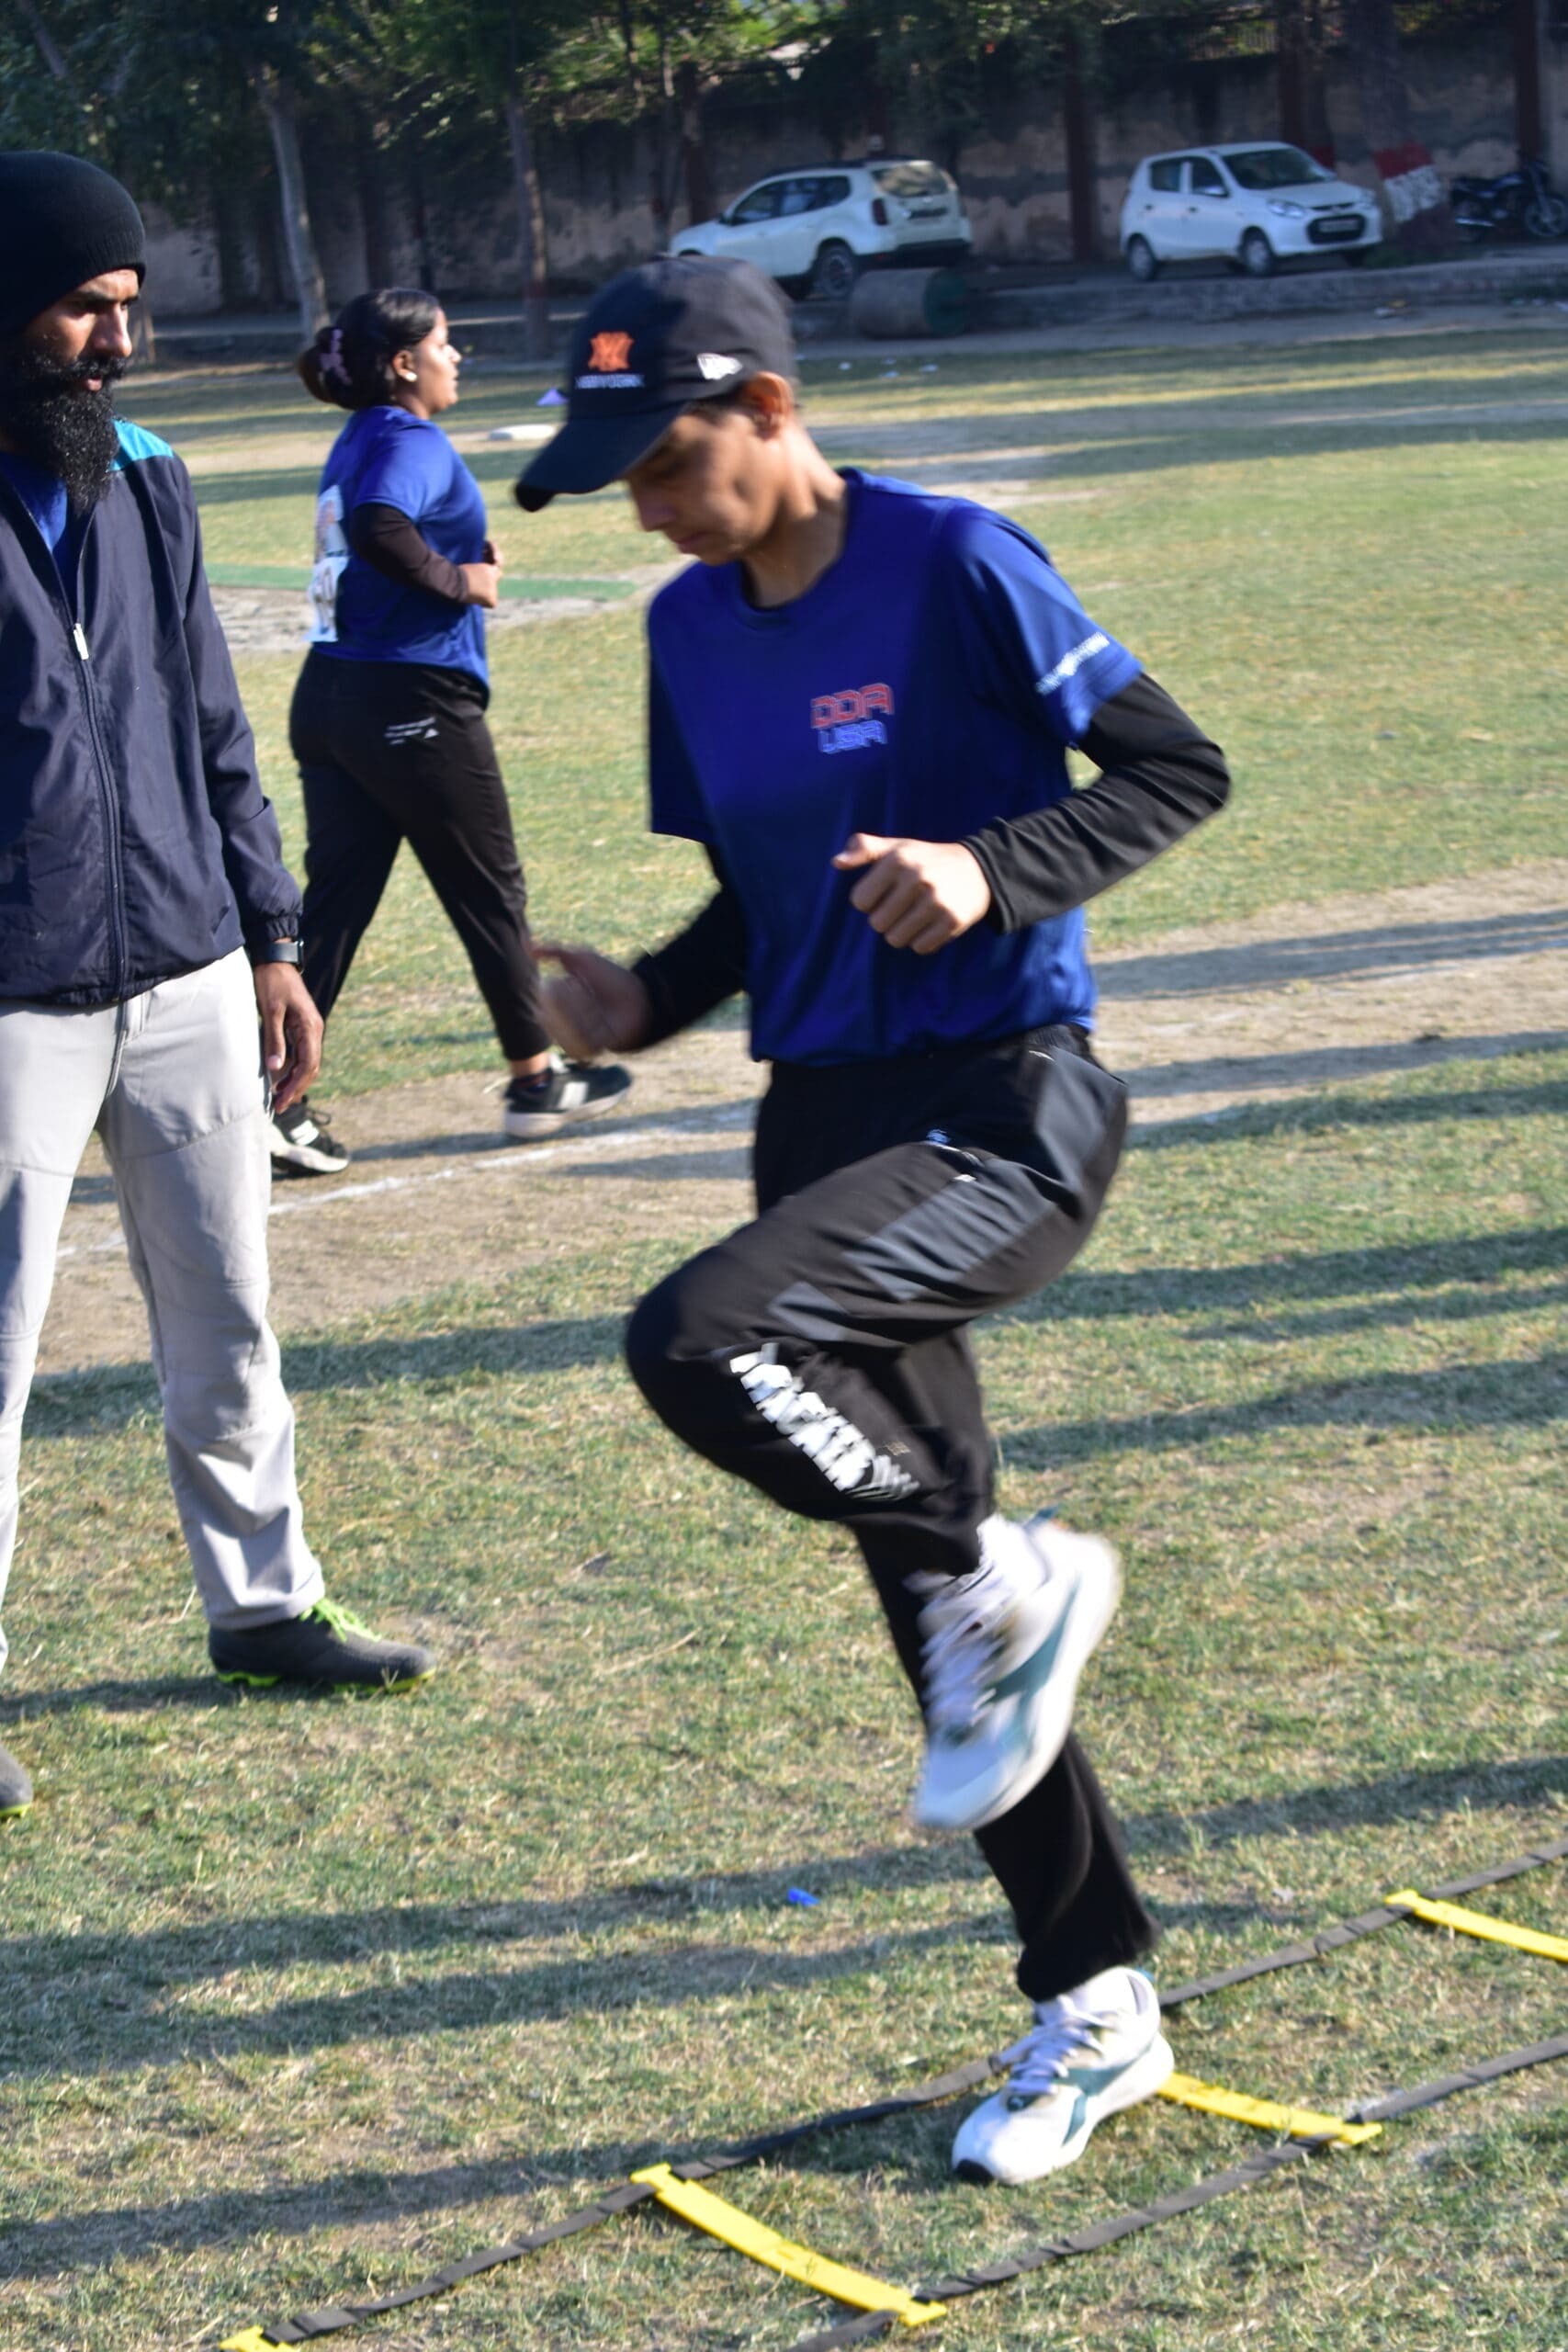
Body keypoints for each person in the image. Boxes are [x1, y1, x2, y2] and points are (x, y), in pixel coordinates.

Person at [516, 256, 1231, 2185]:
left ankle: (1001, 1571)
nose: (652, 510)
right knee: (957, 1633)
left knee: (703, 1341)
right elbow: (763, 905)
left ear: (765, 406)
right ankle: (1097, 2001)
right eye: (622, 482)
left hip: (1006, 1097)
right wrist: (640, 1005)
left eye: (667, 462)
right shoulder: (686, 630)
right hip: (817, 1122)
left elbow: (1176, 765)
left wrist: (987, 868)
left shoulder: (957, 559)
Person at [0, 153, 436, 1826]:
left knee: (229, 1311)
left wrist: (271, 937)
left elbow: (210, 722)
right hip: (15, 997)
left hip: (184, 962)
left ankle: (266, 1605)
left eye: (128, 306)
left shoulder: (153, 476)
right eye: (82, 307)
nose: (118, 338)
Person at [279, 288, 632, 1175]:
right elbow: (379, 528)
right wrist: (462, 582)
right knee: (487, 891)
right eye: (446, 342)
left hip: (333, 697)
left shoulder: (361, 434)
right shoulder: (408, 439)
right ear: (403, 362)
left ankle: (267, 1101)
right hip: (409, 703)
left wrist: (459, 566)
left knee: (337, 908)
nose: (457, 357)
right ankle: (535, 1081)